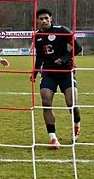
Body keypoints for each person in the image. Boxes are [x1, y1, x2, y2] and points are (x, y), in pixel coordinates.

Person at [32, 8, 82, 150]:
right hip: (48, 72)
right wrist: (35, 73)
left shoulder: (62, 30)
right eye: (41, 18)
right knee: (46, 101)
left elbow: (78, 48)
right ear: (37, 20)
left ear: (51, 18)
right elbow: (39, 56)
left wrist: (64, 58)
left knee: (71, 102)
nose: (44, 21)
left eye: (46, 18)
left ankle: (76, 126)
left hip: (66, 71)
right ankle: (53, 138)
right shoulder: (37, 36)